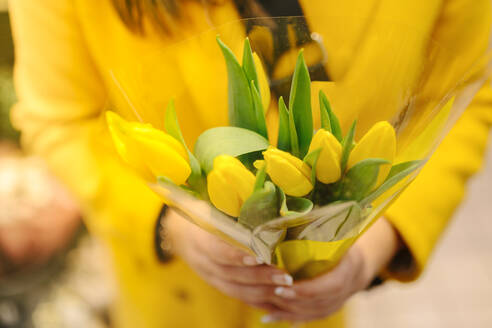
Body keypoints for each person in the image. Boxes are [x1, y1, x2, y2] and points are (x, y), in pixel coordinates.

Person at [9, 0, 492, 327]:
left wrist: (375, 247)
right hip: (174, 303)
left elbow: (469, 89)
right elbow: (61, 120)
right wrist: (166, 223)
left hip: (321, 303)